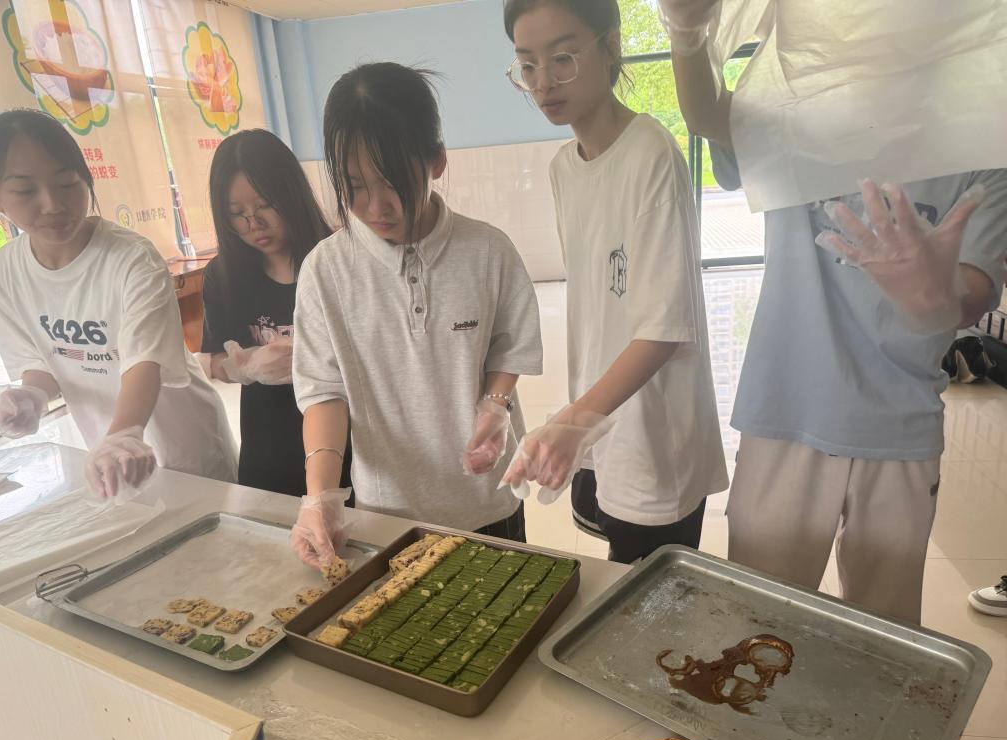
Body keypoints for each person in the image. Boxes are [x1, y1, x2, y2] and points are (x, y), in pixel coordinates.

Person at [658, 0, 1007, 624]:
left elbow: (975, 290)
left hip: (899, 426)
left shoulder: (982, 140)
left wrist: (940, 296)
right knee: (755, 623)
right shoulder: (798, 119)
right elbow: (710, 115)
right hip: (786, 411)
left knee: (885, 637)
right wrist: (687, 31)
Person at [499, 0, 728, 564]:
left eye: (563, 58)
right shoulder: (564, 167)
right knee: (620, 584)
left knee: (650, 598)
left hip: (655, 432)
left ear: (611, 47)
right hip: (605, 418)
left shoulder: (651, 152)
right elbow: (601, 306)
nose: (543, 82)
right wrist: (576, 421)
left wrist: (574, 421)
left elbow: (662, 329)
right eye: (527, 65)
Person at [288, 63, 543, 569]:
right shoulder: (325, 270)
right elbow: (323, 392)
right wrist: (319, 497)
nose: (375, 206)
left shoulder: (488, 251)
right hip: (389, 514)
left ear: (436, 160)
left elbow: (510, 346)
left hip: (487, 501)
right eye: (354, 185)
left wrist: (494, 405)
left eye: (393, 182)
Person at [0, 108, 236, 498]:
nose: (52, 204)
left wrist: (123, 435)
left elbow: (144, 362)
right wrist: (32, 395)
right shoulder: (3, 271)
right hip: (106, 446)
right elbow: (40, 362)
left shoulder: (131, 258)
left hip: (181, 440)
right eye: (25, 191)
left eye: (67, 183)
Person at [203, 129, 352, 497]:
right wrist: (247, 367)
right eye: (237, 214)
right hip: (268, 451)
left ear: (291, 193)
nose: (253, 224)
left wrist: (317, 357)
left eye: (265, 205)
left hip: (345, 445)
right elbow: (214, 362)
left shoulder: (338, 260)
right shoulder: (224, 275)